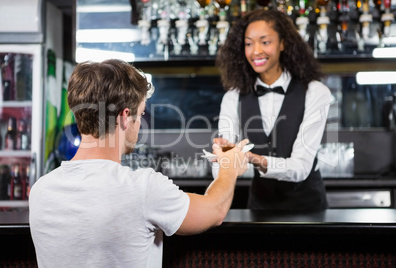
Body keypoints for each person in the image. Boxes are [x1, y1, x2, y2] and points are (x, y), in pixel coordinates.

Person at [29, 59, 248, 267]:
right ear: (125, 117)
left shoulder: (40, 191)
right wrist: (229, 166)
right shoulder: (142, 188)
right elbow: (215, 210)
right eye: (140, 114)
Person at [215, 9, 332, 211]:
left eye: (265, 42)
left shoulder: (315, 92)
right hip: (259, 210)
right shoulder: (233, 97)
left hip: (309, 211)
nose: (256, 51)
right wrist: (224, 156)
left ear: (283, 43)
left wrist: (254, 159)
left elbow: (301, 167)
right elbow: (222, 165)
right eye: (249, 43)